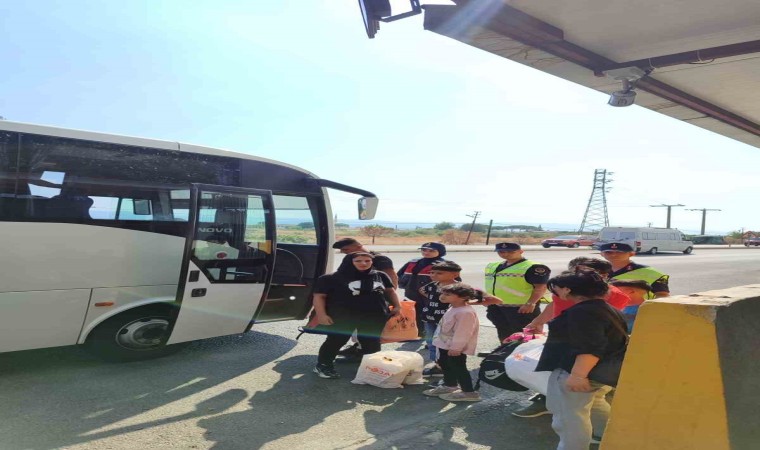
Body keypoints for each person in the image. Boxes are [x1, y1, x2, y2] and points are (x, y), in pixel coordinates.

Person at [514, 257, 629, 419]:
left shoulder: (588, 309)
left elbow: (591, 344)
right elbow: (554, 305)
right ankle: (608, 431)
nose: (576, 273)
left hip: (582, 361)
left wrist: (578, 375)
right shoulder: (579, 296)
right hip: (574, 352)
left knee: (572, 412)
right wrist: (537, 322)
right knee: (587, 403)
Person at [536, 270, 628, 450]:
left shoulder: (583, 312)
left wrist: (578, 375)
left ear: (567, 290)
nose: (555, 293)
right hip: (601, 372)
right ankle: (612, 440)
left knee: (569, 418)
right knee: (594, 405)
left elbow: (590, 347)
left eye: (556, 289)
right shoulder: (607, 309)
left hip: (579, 371)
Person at [312, 252, 401, 379]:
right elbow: (319, 297)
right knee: (336, 341)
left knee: (371, 342)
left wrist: (397, 306)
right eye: (358, 261)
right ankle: (323, 365)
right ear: (349, 262)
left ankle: (372, 368)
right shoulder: (330, 278)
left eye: (367, 261)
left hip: (374, 316)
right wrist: (321, 315)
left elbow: (390, 291)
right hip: (343, 316)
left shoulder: (380, 275)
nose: (363, 263)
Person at [418, 262, 501, 376]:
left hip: (450, 323)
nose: (433, 275)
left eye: (439, 273)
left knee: (448, 345)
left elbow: (495, 300)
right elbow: (422, 291)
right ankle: (438, 365)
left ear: (455, 274)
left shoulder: (461, 288)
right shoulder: (432, 285)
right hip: (430, 319)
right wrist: (435, 300)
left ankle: (450, 369)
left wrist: (467, 302)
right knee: (432, 343)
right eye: (432, 272)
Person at [332, 238, 398, 360]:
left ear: (358, 246)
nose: (343, 252)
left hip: (375, 301)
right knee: (357, 329)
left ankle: (367, 358)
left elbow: (391, 279)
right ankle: (358, 348)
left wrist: (390, 300)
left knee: (370, 333)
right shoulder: (351, 258)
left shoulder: (380, 259)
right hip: (356, 300)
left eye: (346, 249)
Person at [422, 283, 482, 402]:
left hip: (454, 348)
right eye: (443, 293)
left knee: (459, 368)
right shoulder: (453, 307)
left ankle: (469, 392)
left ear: (463, 297)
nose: (442, 296)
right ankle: (450, 385)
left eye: (448, 294)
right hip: (445, 345)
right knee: (445, 365)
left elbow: (463, 332)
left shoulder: (465, 312)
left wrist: (456, 348)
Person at [483, 242, 551, 342]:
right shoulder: (493, 266)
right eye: (501, 252)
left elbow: (541, 287)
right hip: (497, 307)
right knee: (504, 333)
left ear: (521, 251)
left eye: (510, 251)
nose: (505, 254)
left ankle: (522, 351)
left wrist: (531, 303)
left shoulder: (533, 267)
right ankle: (505, 349)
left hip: (521, 309)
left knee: (525, 336)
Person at [397, 242, 448, 338]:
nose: (426, 252)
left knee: (431, 317)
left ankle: (432, 338)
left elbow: (453, 281)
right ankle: (415, 334)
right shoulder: (413, 262)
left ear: (440, 252)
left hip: (432, 296)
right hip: (411, 293)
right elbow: (399, 275)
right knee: (412, 314)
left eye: (431, 251)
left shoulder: (444, 265)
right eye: (424, 250)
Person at [600, 243, 670, 299]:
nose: (614, 255)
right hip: (604, 310)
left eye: (619, 252)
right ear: (602, 254)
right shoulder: (597, 270)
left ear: (631, 254)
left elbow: (662, 295)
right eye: (608, 252)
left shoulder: (650, 272)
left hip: (640, 310)